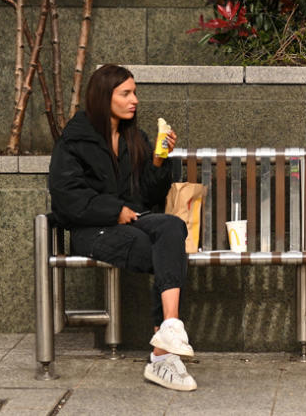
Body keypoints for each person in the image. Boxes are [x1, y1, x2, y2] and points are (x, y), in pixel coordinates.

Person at [49, 64, 197, 391]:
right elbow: (66, 196)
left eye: (135, 92)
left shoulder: (134, 137)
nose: (135, 100)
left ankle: (168, 330)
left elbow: (148, 196)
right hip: (93, 229)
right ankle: (162, 356)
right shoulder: (76, 140)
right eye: (126, 93)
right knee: (161, 251)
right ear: (105, 97)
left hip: (137, 220)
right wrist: (114, 210)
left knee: (172, 228)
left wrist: (159, 161)